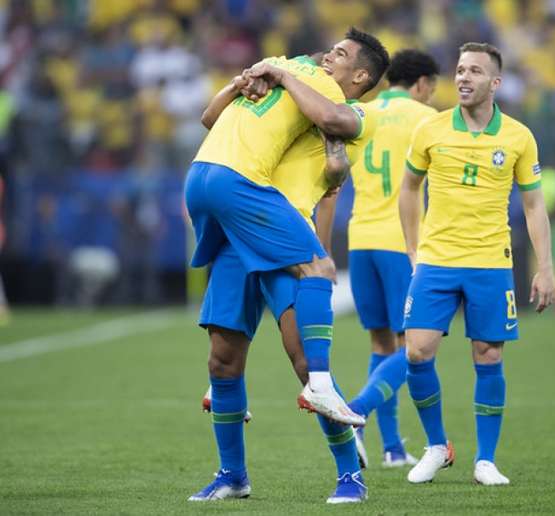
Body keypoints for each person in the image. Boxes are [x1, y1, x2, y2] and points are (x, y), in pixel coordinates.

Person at [185, 28, 388, 503]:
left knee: (303, 359)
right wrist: (251, 81)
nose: (329, 57)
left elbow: (334, 158)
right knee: (223, 356)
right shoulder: (297, 93)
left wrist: (277, 73)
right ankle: (232, 474)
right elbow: (222, 119)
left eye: (340, 55)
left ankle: (349, 477)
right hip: (244, 223)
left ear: (360, 76)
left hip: (285, 229)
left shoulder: (357, 114)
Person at [398, 43, 555, 486]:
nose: (464, 78)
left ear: (495, 83)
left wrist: (545, 267)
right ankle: (436, 446)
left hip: (490, 261)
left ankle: (485, 460)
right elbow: (409, 189)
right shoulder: (431, 130)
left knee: (487, 355)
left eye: (475, 71)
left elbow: (533, 204)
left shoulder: (518, 137)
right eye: (460, 69)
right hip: (437, 259)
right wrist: (414, 251)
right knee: (416, 350)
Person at [342, 49, 439, 469]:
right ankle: (355, 412)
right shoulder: (425, 118)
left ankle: (393, 447)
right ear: (421, 85)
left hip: (360, 237)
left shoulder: (361, 113)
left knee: (381, 342)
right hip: (403, 242)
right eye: (431, 89)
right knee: (416, 346)